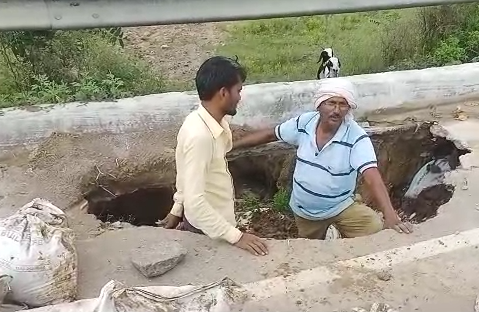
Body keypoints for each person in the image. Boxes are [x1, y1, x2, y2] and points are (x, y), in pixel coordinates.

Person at [231, 78, 413, 239]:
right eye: (331, 103)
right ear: (319, 105)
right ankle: (328, 233)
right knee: (312, 249)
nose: (336, 110)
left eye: (343, 104)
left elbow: (372, 176)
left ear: (349, 108)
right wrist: (233, 146)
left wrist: (390, 215)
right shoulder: (305, 123)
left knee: (374, 227)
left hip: (340, 206)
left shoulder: (356, 137)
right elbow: (271, 134)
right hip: (305, 212)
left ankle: (338, 227)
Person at [159, 56, 269, 256]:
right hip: (208, 231)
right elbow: (196, 202)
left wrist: (177, 208)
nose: (240, 97)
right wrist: (236, 236)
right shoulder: (200, 136)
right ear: (224, 93)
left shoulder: (209, 123)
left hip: (215, 225)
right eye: (239, 91)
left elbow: (185, 171)